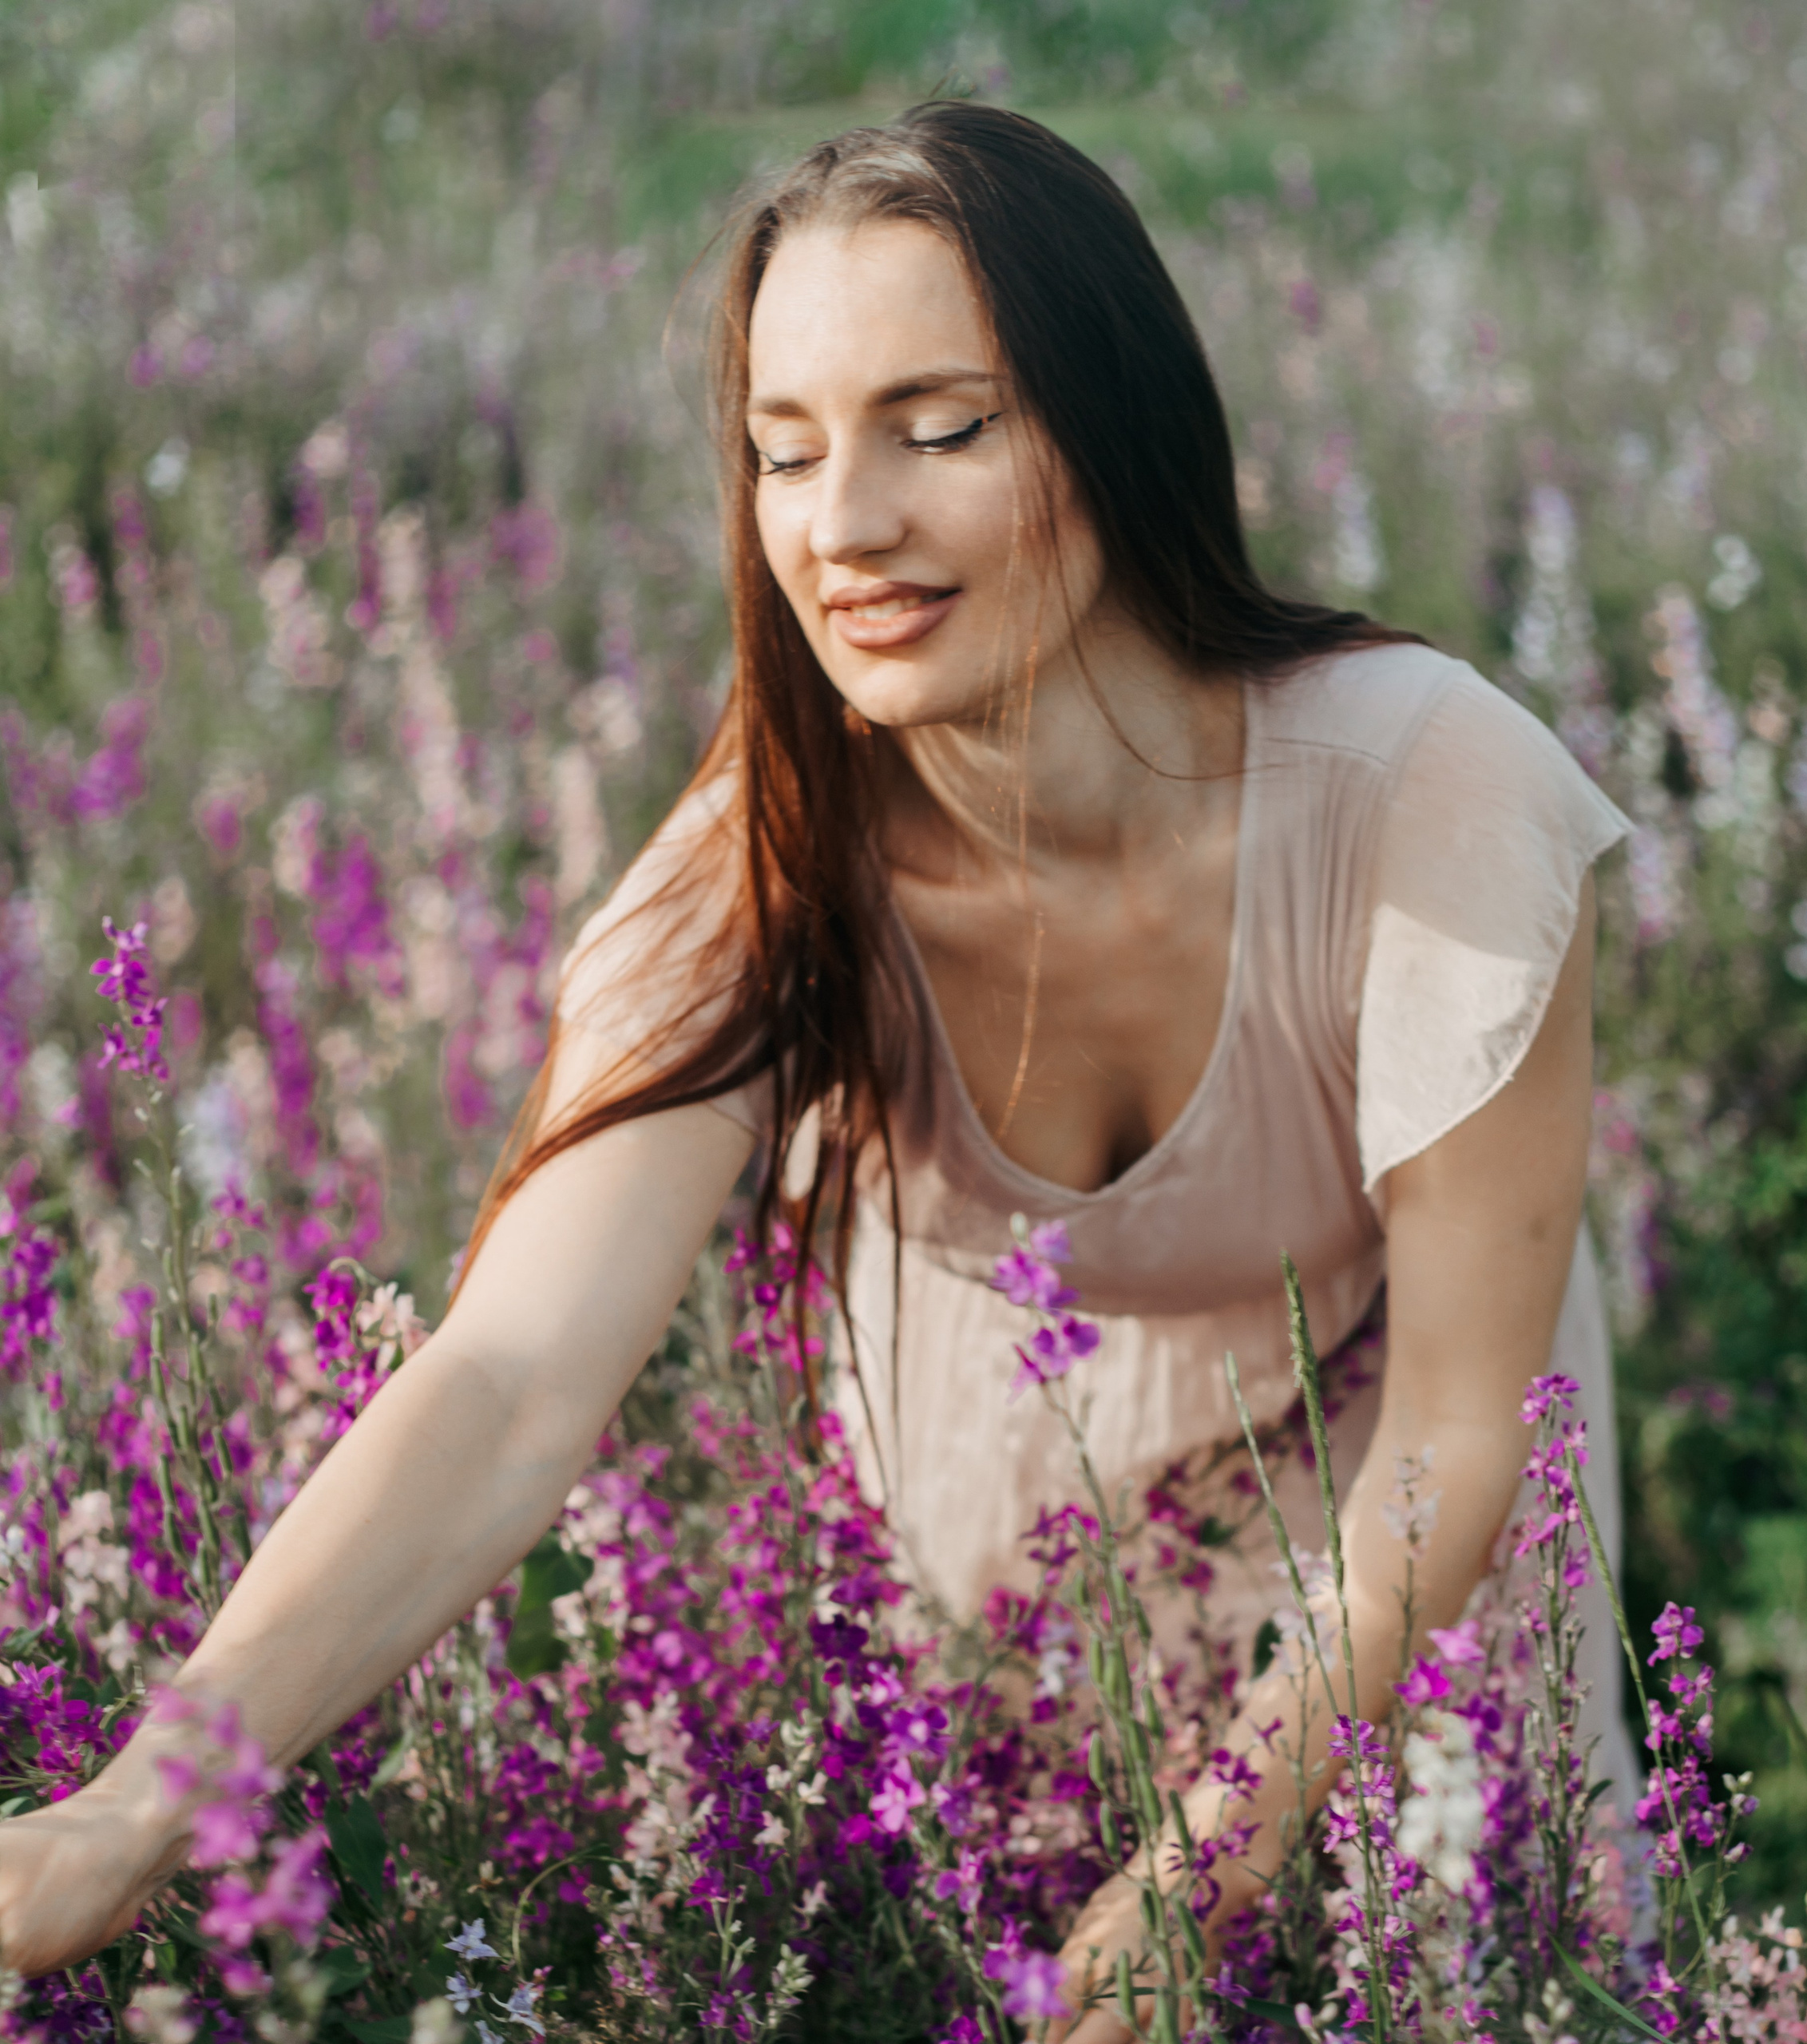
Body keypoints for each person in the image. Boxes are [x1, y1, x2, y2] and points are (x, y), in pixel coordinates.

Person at [0, 101, 1638, 2036]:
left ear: (1111, 426)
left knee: (1458, 1965)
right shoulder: (758, 871)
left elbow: (1457, 1425)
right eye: (784, 452)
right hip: (1006, 1484)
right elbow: (511, 1379)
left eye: (938, 429)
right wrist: (134, 1806)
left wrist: (1197, 1876)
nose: (842, 524)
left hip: (1396, 1494)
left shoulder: (1427, 791)